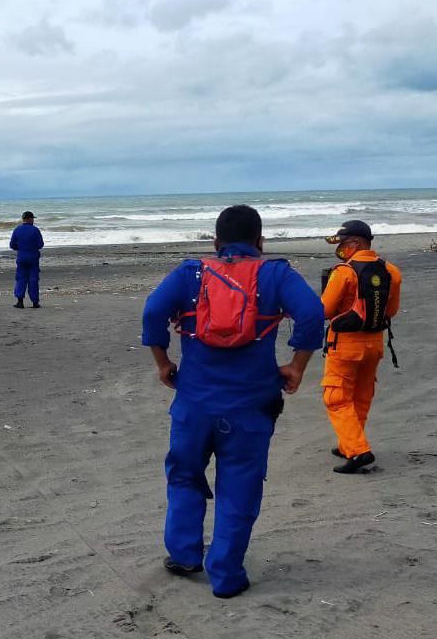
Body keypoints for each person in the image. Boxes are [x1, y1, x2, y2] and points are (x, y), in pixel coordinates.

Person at [141, 204, 324, 598]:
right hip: (251, 406)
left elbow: (153, 312)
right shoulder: (275, 274)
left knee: (185, 475)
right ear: (260, 241)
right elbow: (312, 314)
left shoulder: (190, 273)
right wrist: (296, 366)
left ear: (215, 242)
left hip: (194, 403)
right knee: (239, 484)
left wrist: (162, 363)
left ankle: (185, 554)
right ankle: (225, 575)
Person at [321, 220, 402, 474]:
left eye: (344, 244)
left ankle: (358, 451)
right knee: (361, 397)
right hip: (374, 344)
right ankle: (350, 443)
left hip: (344, 345)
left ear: (356, 243)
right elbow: (391, 311)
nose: (342, 249)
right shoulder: (391, 271)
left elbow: (324, 309)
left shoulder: (344, 272)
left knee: (336, 397)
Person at [9, 210, 44, 309]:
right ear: (29, 219)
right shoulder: (35, 230)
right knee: (33, 279)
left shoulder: (17, 230)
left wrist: (20, 248)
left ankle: (20, 301)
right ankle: (35, 302)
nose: (33, 220)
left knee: (21, 278)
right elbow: (40, 244)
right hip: (33, 257)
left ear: (23, 219)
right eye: (32, 218)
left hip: (21, 257)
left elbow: (12, 245)